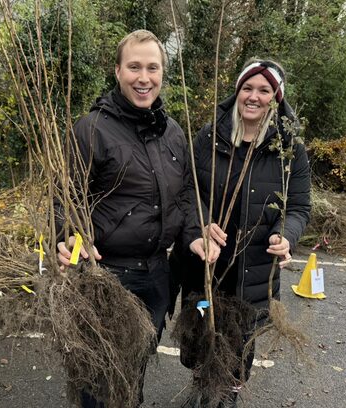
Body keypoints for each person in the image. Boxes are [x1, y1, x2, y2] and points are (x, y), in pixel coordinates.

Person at [56, 30, 220, 408]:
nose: (143, 77)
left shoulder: (173, 133)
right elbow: (62, 198)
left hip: (157, 275)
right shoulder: (91, 129)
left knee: (135, 366)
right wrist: (65, 235)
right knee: (98, 372)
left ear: (162, 73)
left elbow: (184, 196)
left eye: (152, 67)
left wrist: (195, 233)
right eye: (134, 67)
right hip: (106, 275)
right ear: (117, 71)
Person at [170, 59, 311, 407]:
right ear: (237, 92)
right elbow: (187, 191)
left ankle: (228, 390)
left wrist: (286, 235)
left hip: (253, 267)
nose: (254, 96)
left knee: (241, 334)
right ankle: (203, 381)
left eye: (264, 90)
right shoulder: (209, 136)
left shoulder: (289, 149)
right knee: (202, 322)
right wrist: (202, 222)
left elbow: (298, 207)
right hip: (207, 262)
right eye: (247, 88)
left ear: (275, 98)